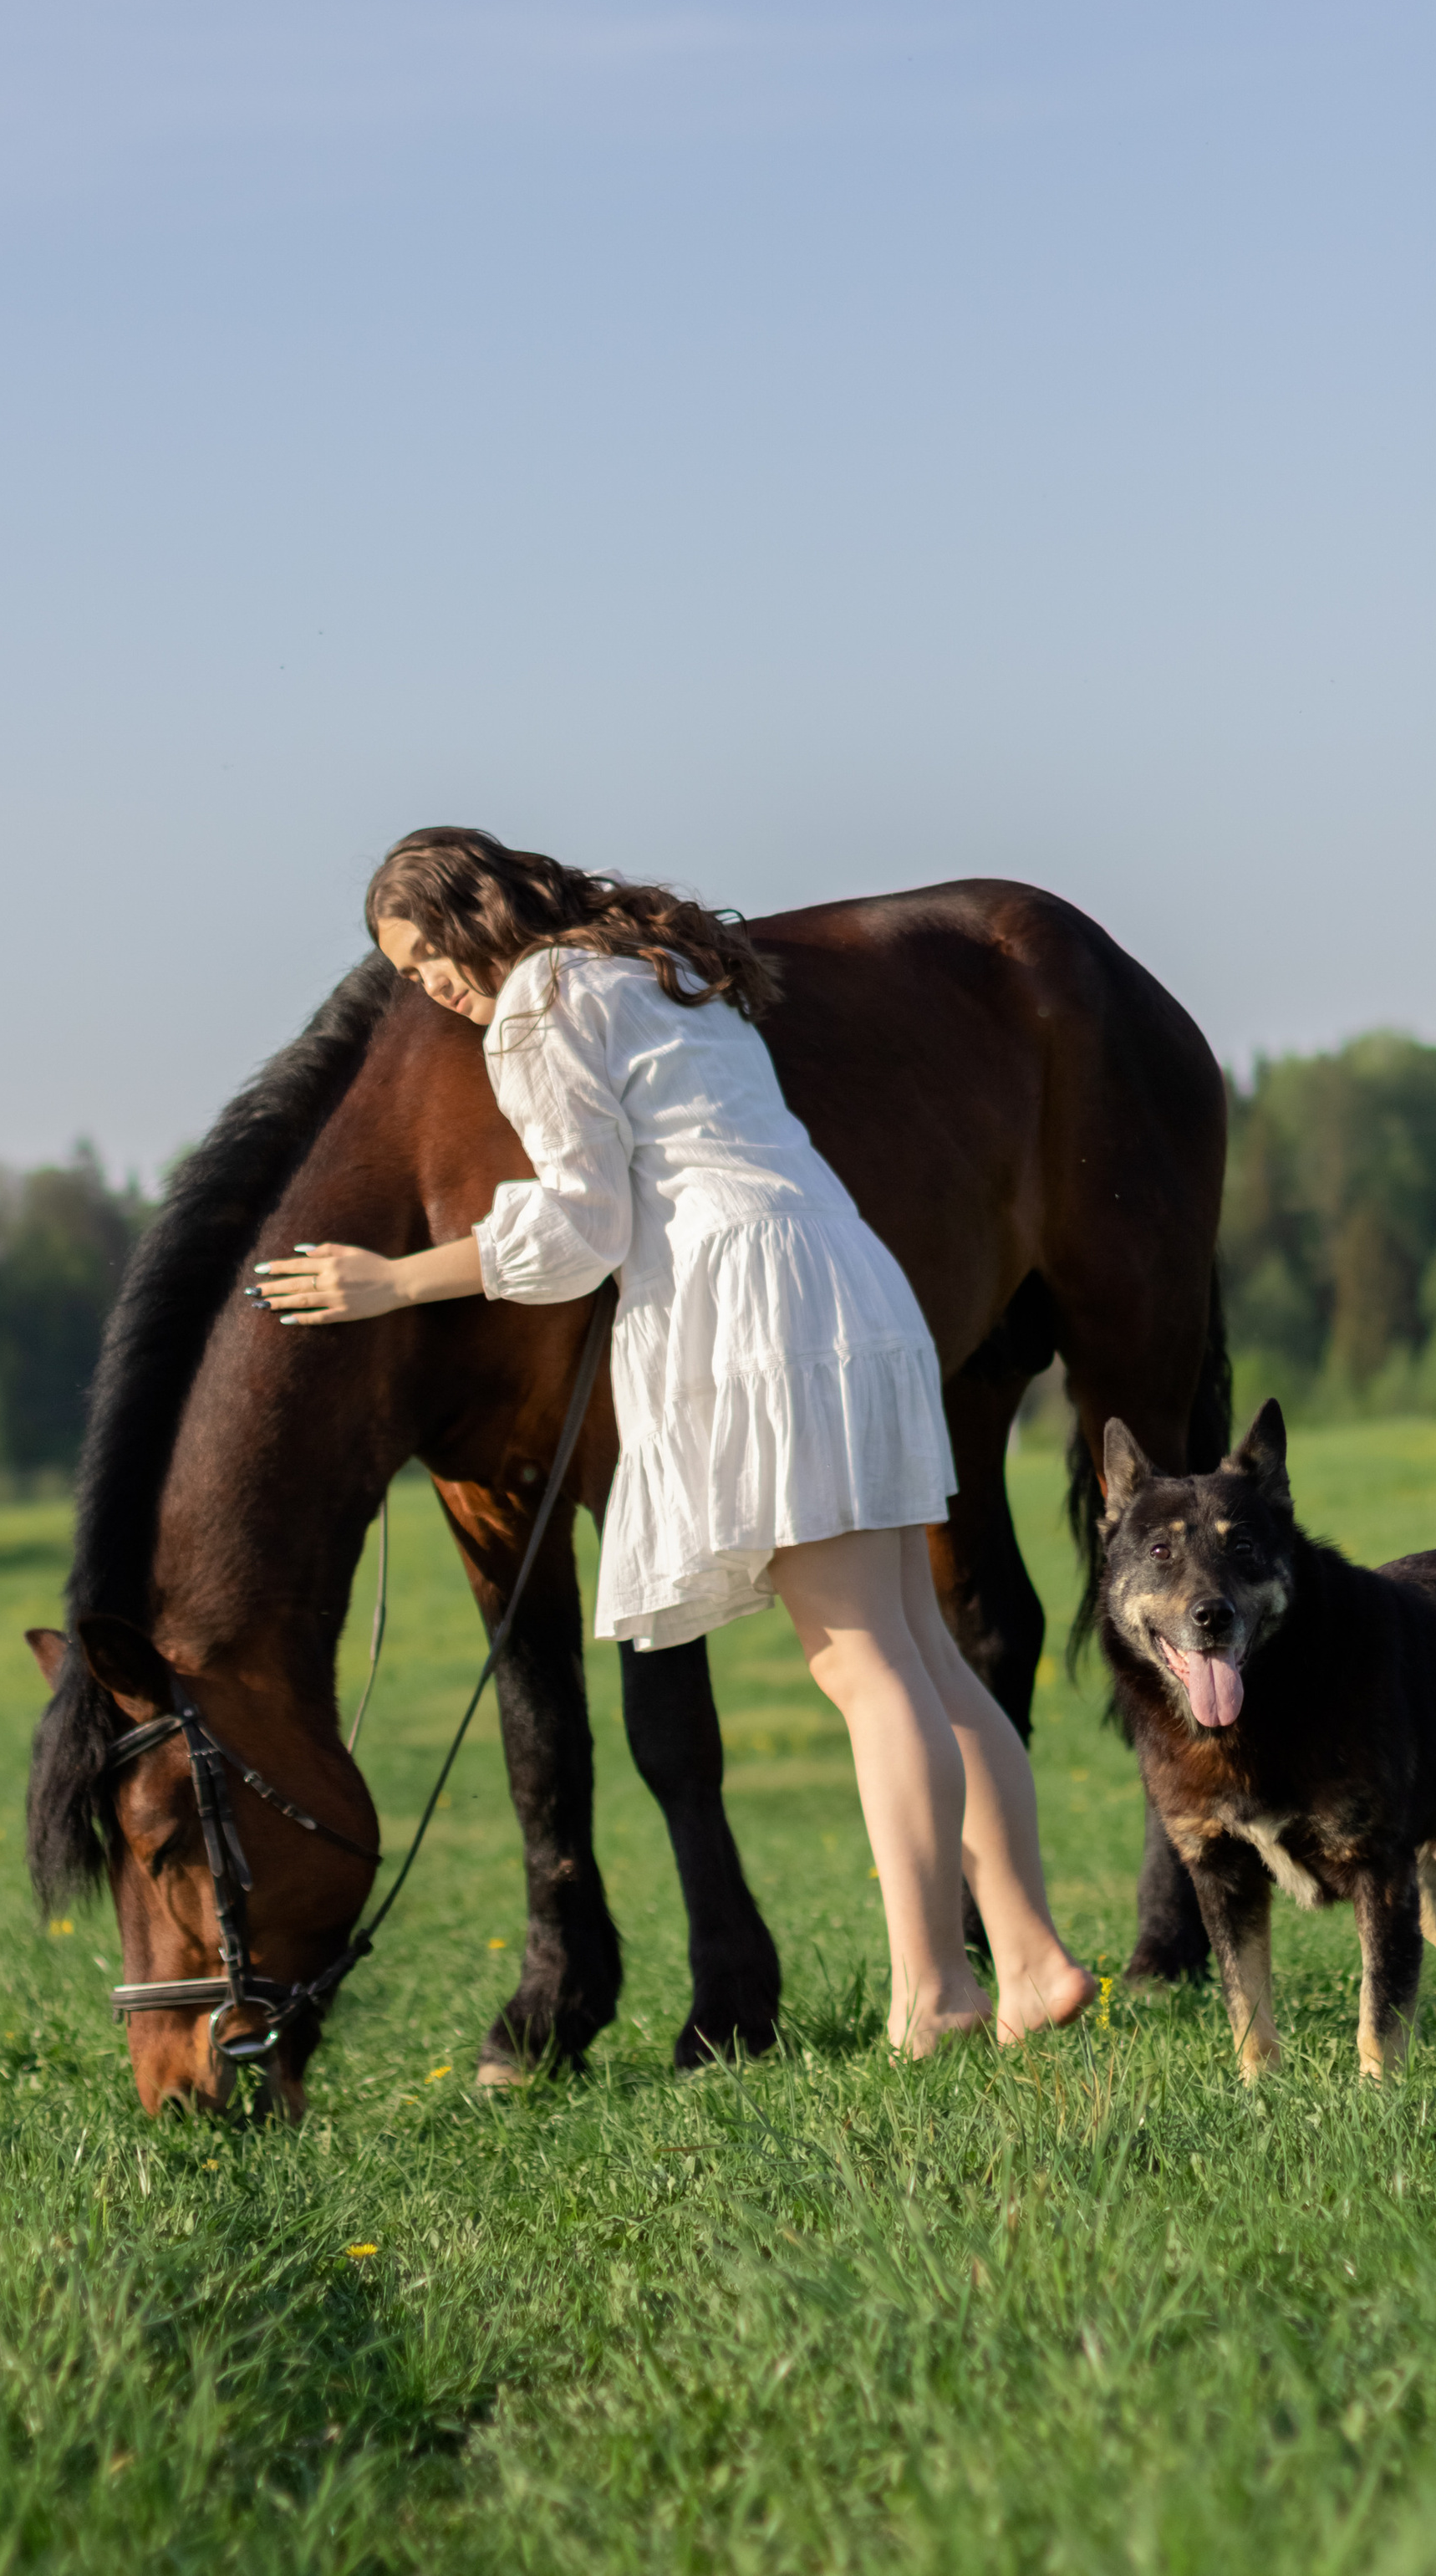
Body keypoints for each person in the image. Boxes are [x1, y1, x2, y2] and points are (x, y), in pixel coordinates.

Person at [252, 826, 1092, 2057]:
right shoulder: (651, 964)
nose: (428, 982)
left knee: (864, 1666)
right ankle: (1027, 1960)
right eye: (405, 966)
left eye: (430, 949)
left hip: (751, 1307)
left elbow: (584, 1227)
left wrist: (397, 1282)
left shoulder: (539, 1000)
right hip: (844, 1275)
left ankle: (939, 1990)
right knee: (923, 1654)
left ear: (482, 913)